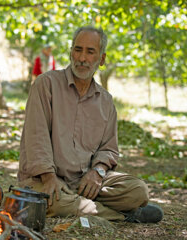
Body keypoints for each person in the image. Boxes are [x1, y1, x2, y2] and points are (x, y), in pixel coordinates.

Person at [18, 26, 163, 223]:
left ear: (101, 59)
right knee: (50, 201)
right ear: (71, 52)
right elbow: (36, 136)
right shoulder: (46, 84)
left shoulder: (106, 101)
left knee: (138, 191)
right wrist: (49, 176)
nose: (82, 58)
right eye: (78, 50)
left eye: (90, 52)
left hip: (85, 181)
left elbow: (109, 149)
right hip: (44, 179)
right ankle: (123, 216)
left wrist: (97, 172)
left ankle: (83, 204)